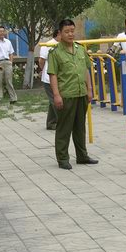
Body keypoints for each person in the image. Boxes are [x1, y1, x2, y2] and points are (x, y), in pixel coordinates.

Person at [47, 19, 98, 170]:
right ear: (60, 33)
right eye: (66, 32)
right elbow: (53, 75)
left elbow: (86, 70)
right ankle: (63, 159)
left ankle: (82, 156)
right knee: (64, 128)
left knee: (80, 127)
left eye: (72, 31)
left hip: (81, 93)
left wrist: (90, 89)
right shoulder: (55, 53)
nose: (70, 34)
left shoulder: (80, 49)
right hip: (66, 95)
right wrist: (56, 95)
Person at [0, 25, 17, 104]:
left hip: (7, 62)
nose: (2, 33)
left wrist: (11, 62)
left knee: (9, 81)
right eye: (0, 31)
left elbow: (11, 53)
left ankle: (13, 98)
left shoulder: (8, 42)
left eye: (3, 31)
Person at [38, 29, 59, 130]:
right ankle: (62, 122)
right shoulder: (48, 45)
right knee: (56, 101)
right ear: (59, 33)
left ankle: (51, 123)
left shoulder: (63, 45)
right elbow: (41, 60)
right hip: (49, 78)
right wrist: (43, 71)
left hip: (58, 77)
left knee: (53, 101)